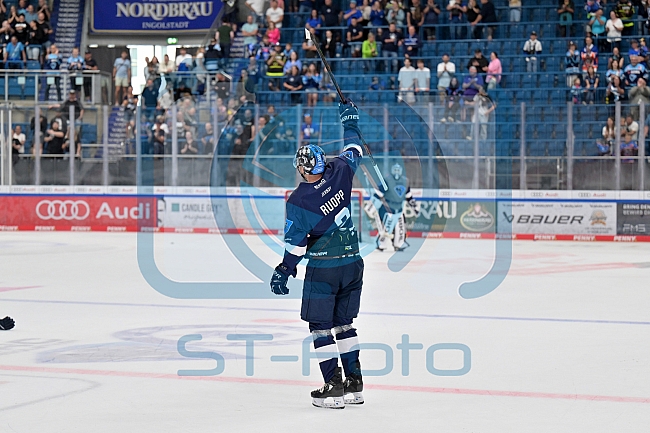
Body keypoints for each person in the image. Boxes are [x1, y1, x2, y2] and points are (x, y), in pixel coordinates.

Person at [270, 100, 365, 409]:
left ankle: (333, 386)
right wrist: (349, 119)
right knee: (345, 325)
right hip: (353, 263)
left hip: (324, 269)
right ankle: (354, 383)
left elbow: (296, 246)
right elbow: (355, 149)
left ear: (303, 169)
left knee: (320, 327)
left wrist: (284, 269)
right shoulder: (339, 169)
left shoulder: (298, 200)